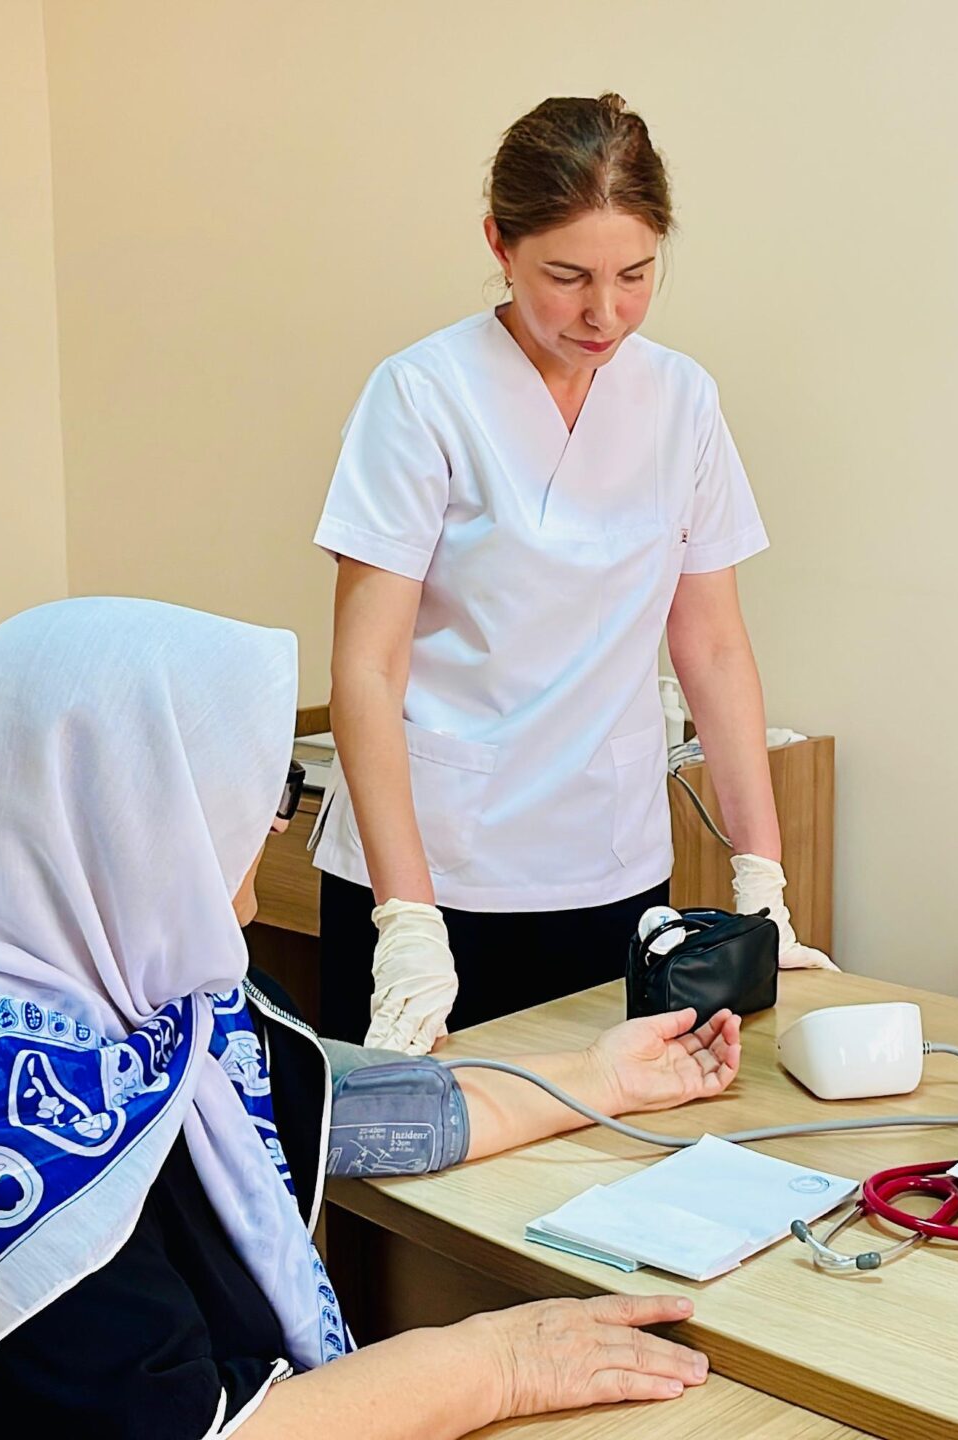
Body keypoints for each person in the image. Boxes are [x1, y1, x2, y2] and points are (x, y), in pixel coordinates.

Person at [0, 598, 742, 1440]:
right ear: (126, 813)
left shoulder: (139, 1010)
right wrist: (500, 1364)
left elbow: (359, 1110)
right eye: (254, 792)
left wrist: (604, 1078)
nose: (269, 826)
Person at [312, 92, 828, 1055]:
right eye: (567, 276)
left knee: (604, 1135)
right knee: (417, 1143)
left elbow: (713, 646)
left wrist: (763, 877)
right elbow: (367, 668)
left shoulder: (680, 399)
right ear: (499, 246)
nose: (604, 312)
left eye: (635, 275)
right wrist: (407, 923)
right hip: (431, 875)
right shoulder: (422, 396)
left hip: (610, 868)